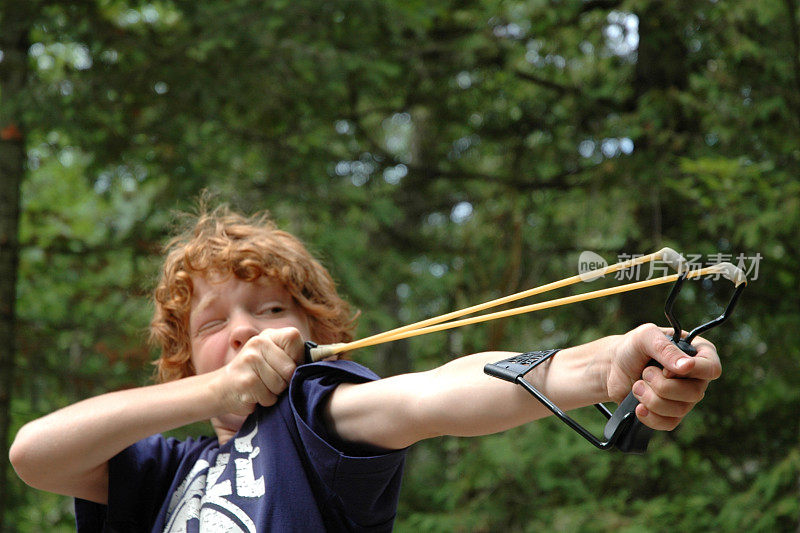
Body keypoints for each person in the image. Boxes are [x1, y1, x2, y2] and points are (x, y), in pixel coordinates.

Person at [9, 205, 721, 532]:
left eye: (270, 310)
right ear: (186, 361)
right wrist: (214, 393)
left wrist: (605, 366)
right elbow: (32, 452)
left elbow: (436, 393)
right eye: (216, 322)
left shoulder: (315, 418)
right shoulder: (161, 469)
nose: (246, 331)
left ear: (318, 339)